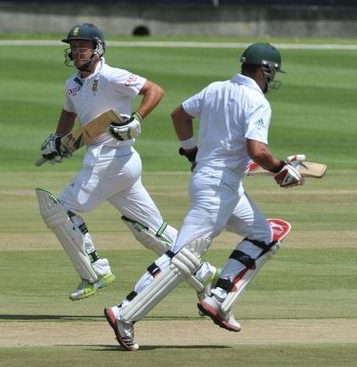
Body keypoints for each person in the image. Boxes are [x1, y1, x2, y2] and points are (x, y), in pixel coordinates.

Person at [104, 42, 305, 351]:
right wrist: (280, 170)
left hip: (216, 183)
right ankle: (125, 312)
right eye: (271, 72)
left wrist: (191, 151)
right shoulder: (256, 101)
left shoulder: (216, 89)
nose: (271, 78)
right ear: (263, 70)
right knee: (184, 256)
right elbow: (257, 150)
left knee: (264, 235)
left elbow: (179, 115)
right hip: (217, 190)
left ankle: (220, 297)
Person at [35, 23, 217, 302]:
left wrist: (137, 118)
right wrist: (59, 141)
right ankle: (201, 270)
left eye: (82, 47)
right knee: (151, 231)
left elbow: (155, 90)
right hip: (120, 165)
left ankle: (95, 270)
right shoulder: (72, 85)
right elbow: (68, 113)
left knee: (60, 211)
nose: (76, 52)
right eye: (73, 48)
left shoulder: (112, 76)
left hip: (109, 161)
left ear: (97, 49)